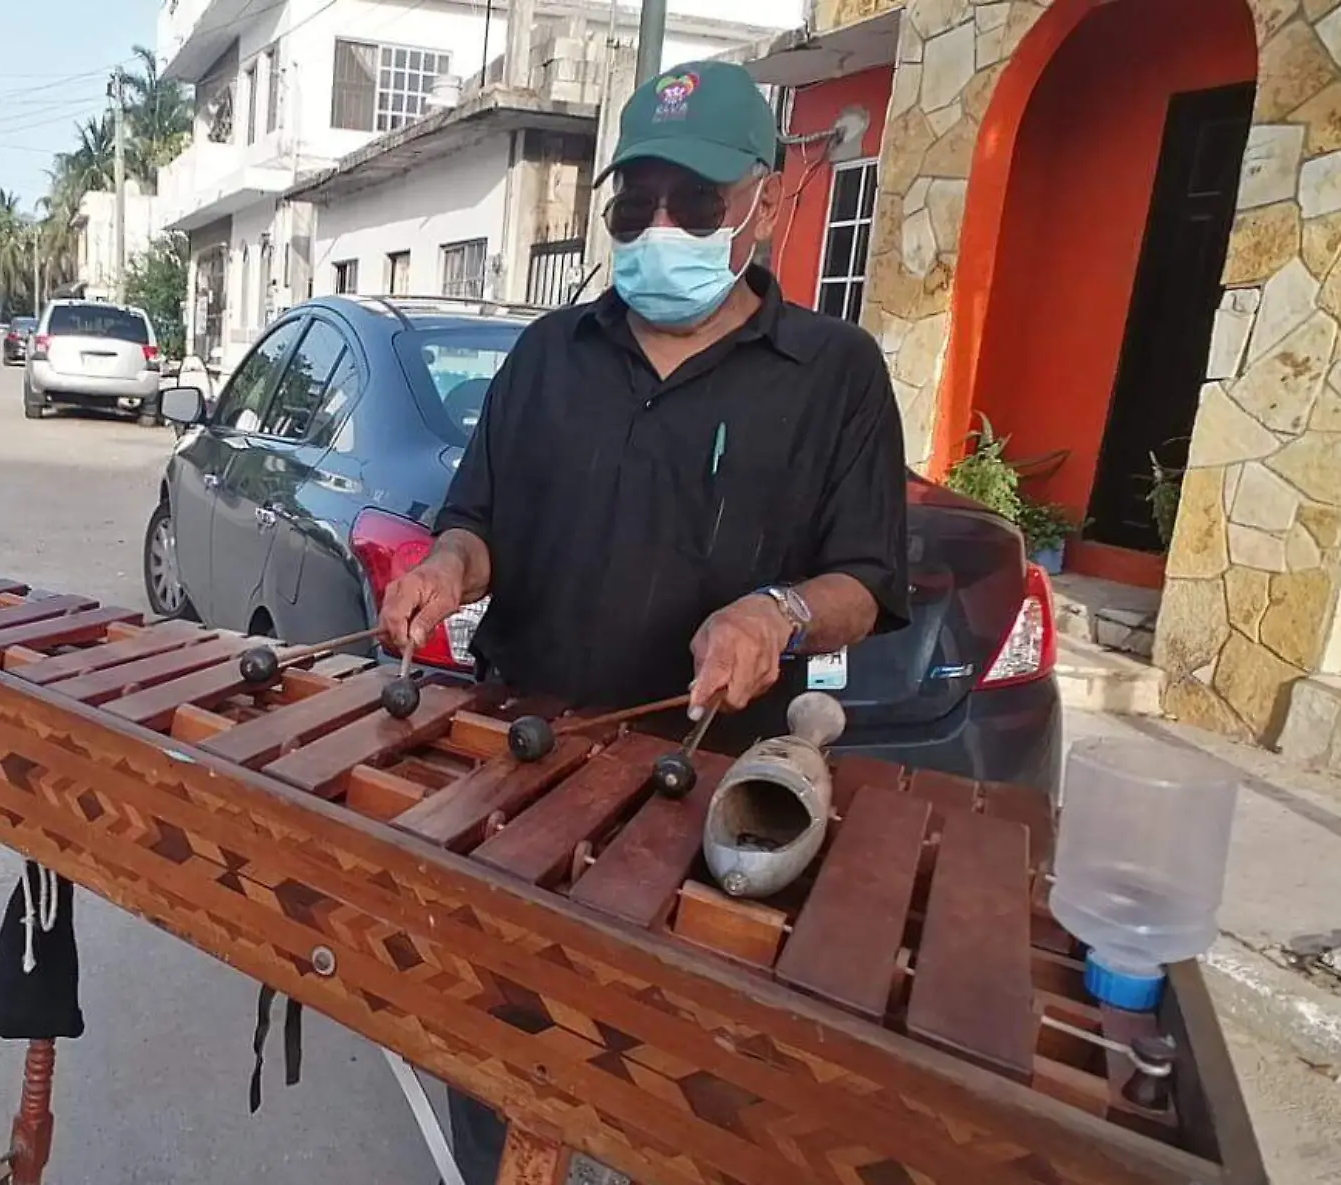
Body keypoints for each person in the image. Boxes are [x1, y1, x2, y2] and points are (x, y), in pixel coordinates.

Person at [376, 60, 911, 1184]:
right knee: (495, 1054)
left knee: (671, 1093)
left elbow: (866, 575)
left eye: (694, 202)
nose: (659, 228)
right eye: (634, 205)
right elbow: (478, 524)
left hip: (707, 795)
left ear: (762, 198)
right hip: (516, 770)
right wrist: (444, 567)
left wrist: (776, 611)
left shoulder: (836, 375)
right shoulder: (544, 357)